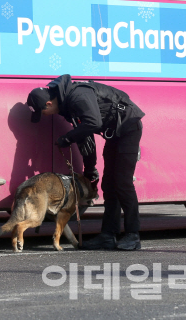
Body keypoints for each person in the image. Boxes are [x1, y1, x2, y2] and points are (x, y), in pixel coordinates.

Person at [27, 74, 145, 250]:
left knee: (123, 183)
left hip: (129, 128)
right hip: (116, 134)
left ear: (49, 104)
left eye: (42, 112)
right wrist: (90, 170)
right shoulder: (68, 107)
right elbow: (86, 138)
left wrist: (67, 138)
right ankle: (108, 235)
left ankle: (133, 235)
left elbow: (93, 123)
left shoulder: (77, 96)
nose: (44, 116)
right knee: (109, 185)